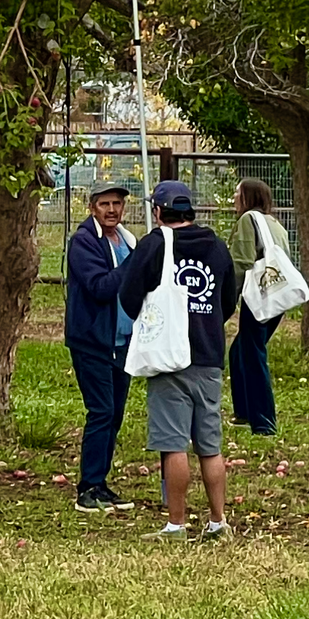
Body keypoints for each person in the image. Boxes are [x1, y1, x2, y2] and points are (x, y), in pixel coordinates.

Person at [118, 179, 236, 540]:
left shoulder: (155, 244)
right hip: (209, 354)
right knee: (210, 444)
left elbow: (129, 293)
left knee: (173, 442)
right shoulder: (217, 246)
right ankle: (218, 521)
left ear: (158, 210)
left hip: (169, 354)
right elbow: (228, 298)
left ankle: (177, 523)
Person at [64, 178, 139, 512]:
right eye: (105, 204)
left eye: (117, 204)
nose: (112, 210)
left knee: (116, 414)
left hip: (123, 341)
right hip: (93, 340)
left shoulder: (126, 240)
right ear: (92, 206)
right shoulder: (83, 242)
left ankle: (102, 483)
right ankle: (88, 487)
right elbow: (99, 287)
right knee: (102, 411)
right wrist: (134, 266)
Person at [226, 178, 291, 438]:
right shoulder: (274, 223)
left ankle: (264, 422)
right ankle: (243, 412)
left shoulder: (247, 220)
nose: (233, 196)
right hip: (278, 297)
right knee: (239, 351)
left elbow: (240, 263)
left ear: (248, 197)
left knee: (253, 356)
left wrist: (227, 301)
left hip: (258, 299)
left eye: (237, 192)